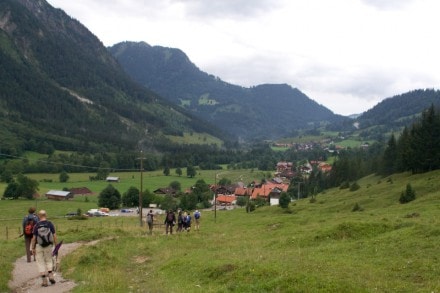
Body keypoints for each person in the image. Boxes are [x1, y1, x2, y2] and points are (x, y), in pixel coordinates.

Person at [31, 210, 57, 287]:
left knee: (40, 262)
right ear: (46, 215)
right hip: (48, 245)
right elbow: (54, 235)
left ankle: (44, 281)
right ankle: (51, 276)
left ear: (39, 216)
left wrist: (33, 248)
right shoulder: (50, 224)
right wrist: (56, 245)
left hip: (39, 246)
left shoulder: (36, 225)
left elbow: (34, 238)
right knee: (49, 260)